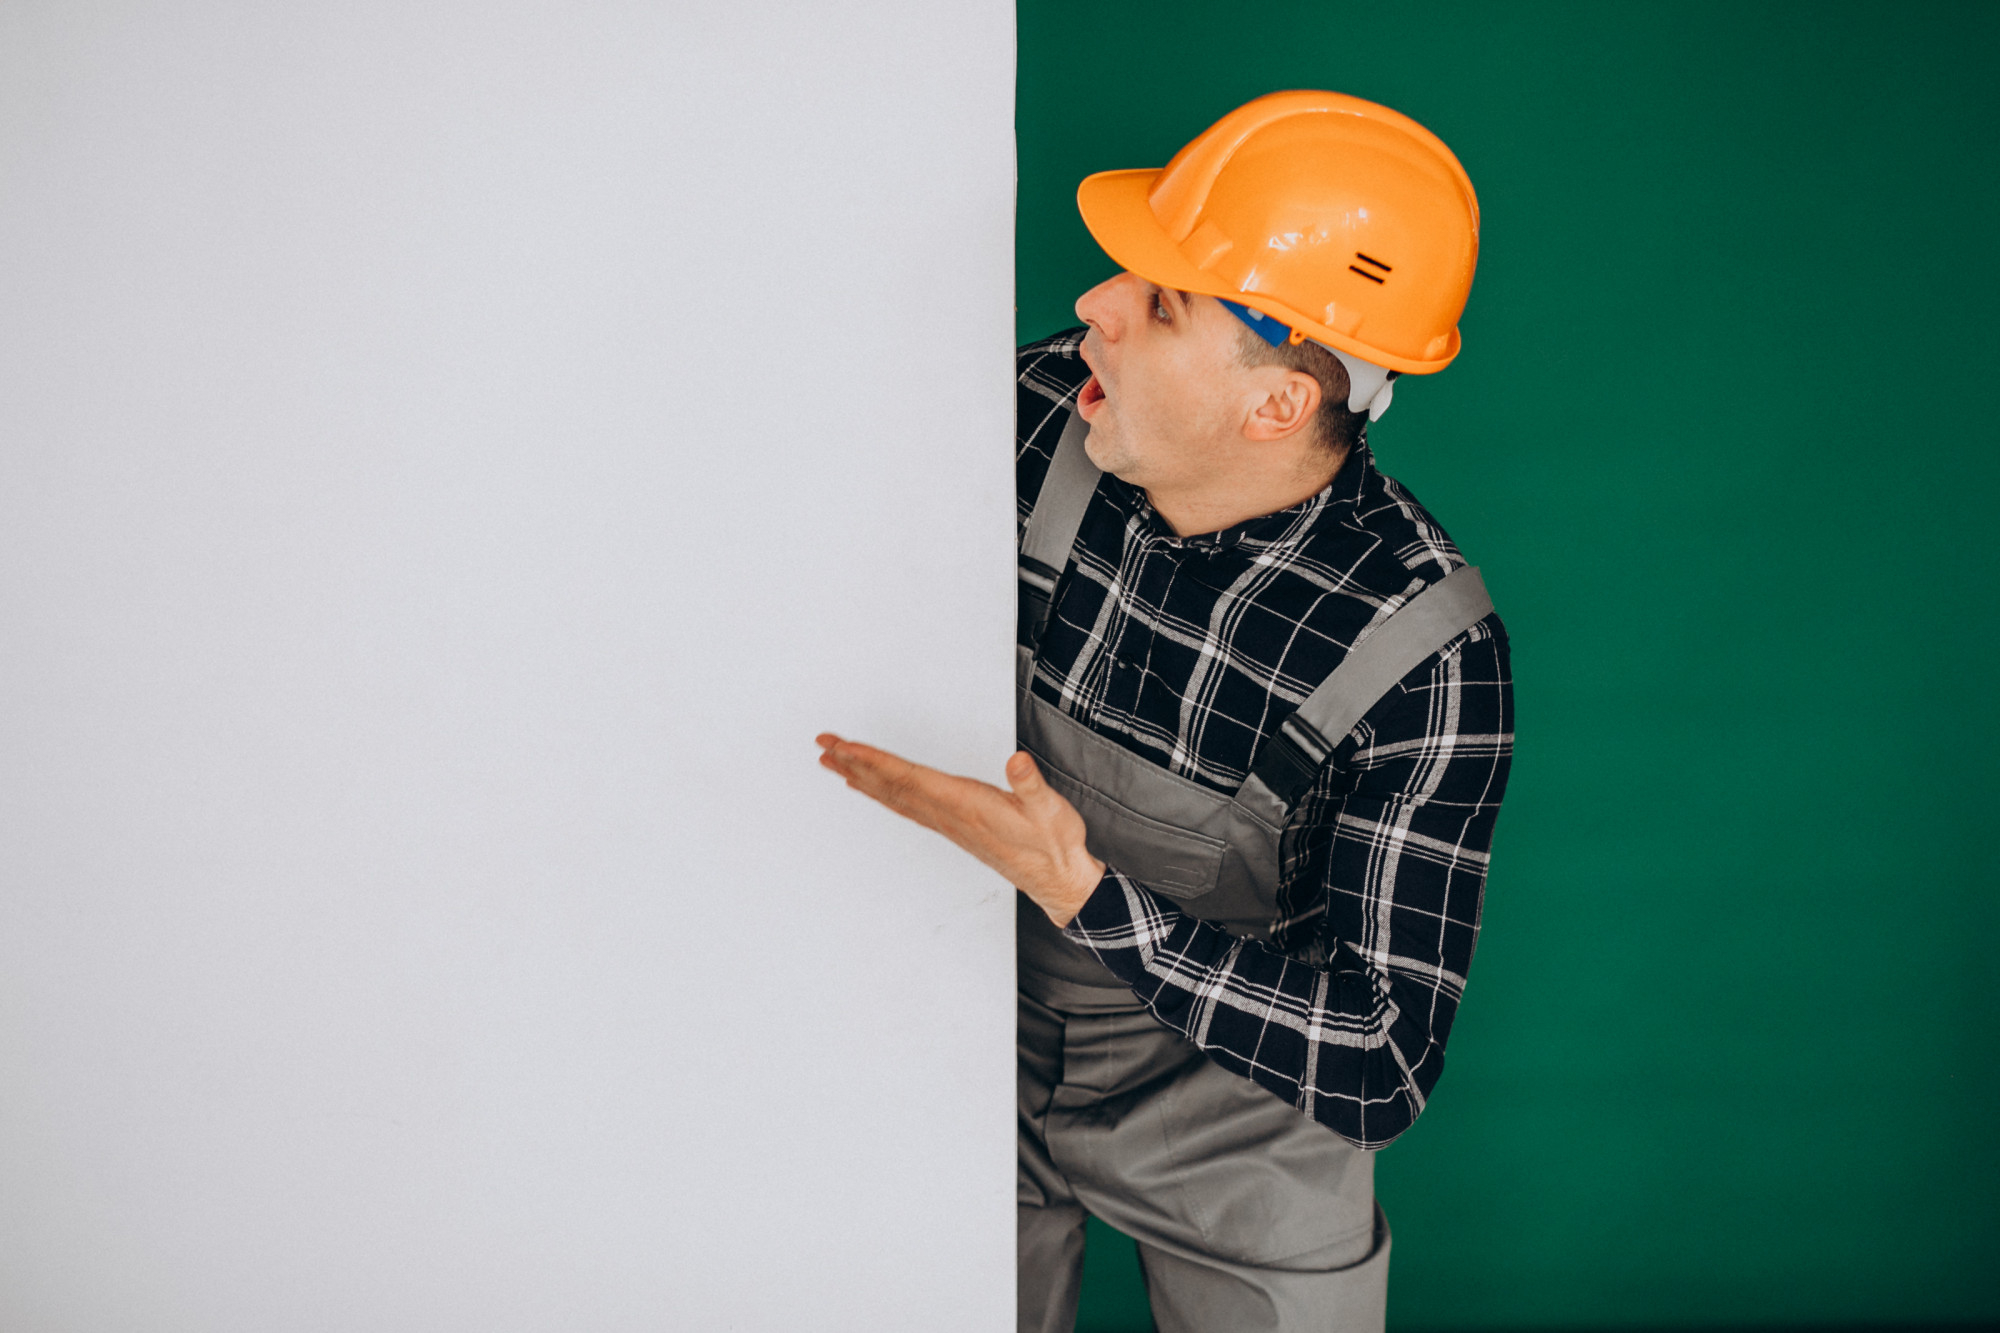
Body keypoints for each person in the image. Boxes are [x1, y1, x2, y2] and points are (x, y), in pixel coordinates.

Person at [816, 90, 1513, 1333]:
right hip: (960, 1028)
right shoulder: (1033, 415)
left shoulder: (1422, 655)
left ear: (1278, 404)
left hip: (1236, 1118)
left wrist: (1089, 898)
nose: (1092, 305)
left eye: (1161, 302)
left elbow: (1380, 1059)